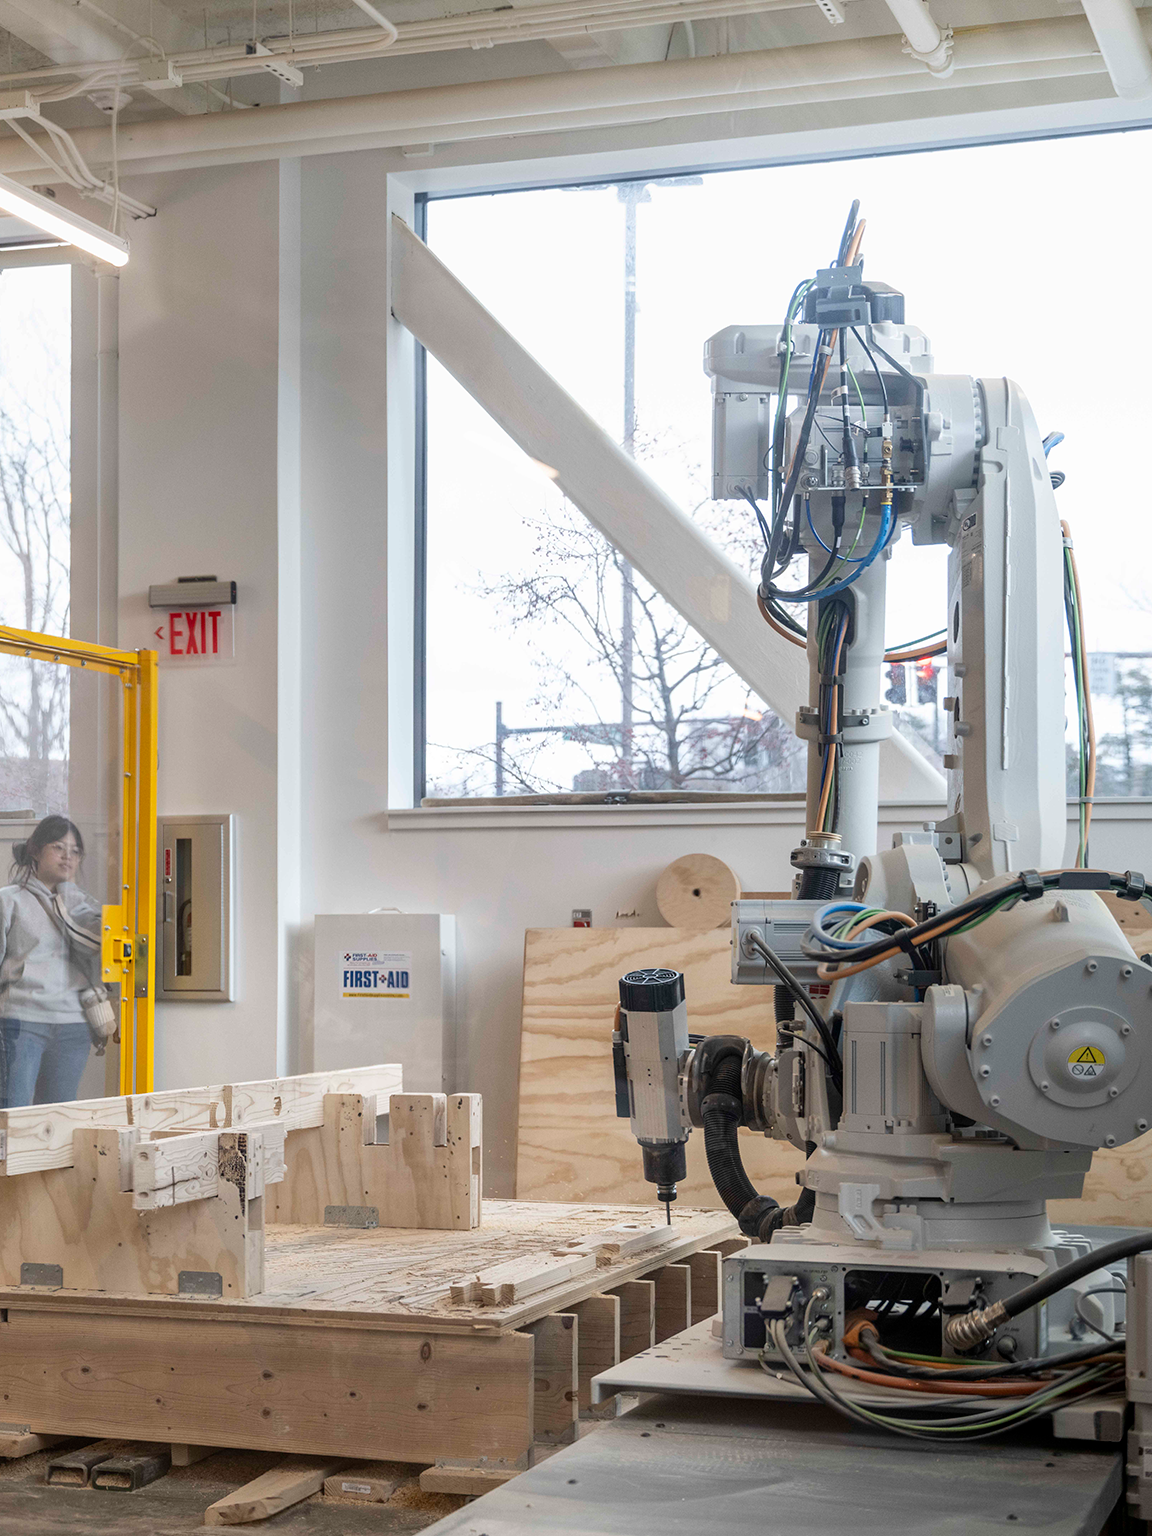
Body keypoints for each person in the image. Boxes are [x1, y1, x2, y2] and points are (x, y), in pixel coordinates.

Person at [0, 816, 104, 1108]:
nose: (67, 856)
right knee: (13, 1114)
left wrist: (69, 895)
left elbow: (103, 951)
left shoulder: (83, 906)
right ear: (35, 850)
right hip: (21, 1021)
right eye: (58, 847)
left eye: (75, 850)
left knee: (59, 1117)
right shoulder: (8, 900)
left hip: (73, 1024)